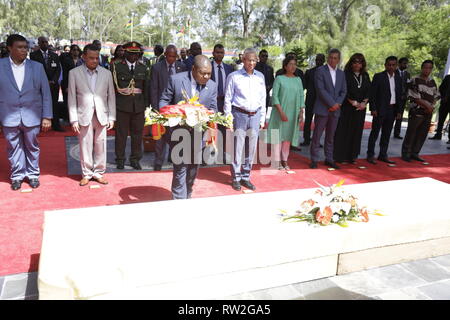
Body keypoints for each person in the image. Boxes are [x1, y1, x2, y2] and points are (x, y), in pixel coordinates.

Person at [159, 55, 218, 200]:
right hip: (179, 133)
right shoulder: (176, 80)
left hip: (199, 135)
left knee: (193, 169)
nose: (206, 76)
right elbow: (164, 101)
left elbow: (214, 109)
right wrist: (170, 115)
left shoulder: (212, 86)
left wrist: (208, 116)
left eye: (209, 74)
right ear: (193, 69)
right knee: (180, 169)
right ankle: (179, 201)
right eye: (202, 73)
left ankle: (188, 195)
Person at [0, 34, 52, 190]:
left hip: (32, 115)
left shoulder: (37, 67)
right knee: (13, 147)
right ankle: (17, 175)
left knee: (32, 146)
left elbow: (46, 93)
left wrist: (47, 116)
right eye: (20, 47)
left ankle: (33, 174)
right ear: (9, 48)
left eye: (26, 47)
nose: (24, 51)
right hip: (8, 115)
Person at [68, 44, 116, 186]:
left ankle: (99, 173)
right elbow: (71, 97)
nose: (94, 61)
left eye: (97, 58)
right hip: (83, 114)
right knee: (85, 144)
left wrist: (112, 117)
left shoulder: (106, 73)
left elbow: (111, 96)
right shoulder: (74, 73)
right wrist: (73, 119)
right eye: (91, 58)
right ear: (84, 57)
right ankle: (87, 174)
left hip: (102, 114)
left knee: (101, 145)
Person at [224, 48, 266, 191]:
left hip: (255, 115)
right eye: (249, 60)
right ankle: (235, 177)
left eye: (254, 60)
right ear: (243, 60)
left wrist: (262, 118)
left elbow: (263, 98)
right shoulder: (234, 76)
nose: (252, 63)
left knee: (251, 148)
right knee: (238, 147)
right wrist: (228, 118)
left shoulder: (260, 76)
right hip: (239, 115)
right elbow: (228, 98)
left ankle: (245, 177)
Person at [111, 42, 150, 171]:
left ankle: (135, 159)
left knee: (137, 135)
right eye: (131, 54)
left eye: (136, 54)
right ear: (125, 53)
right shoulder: (116, 67)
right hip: (122, 106)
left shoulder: (143, 68)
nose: (134, 56)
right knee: (121, 134)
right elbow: (113, 88)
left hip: (138, 107)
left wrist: (146, 106)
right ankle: (120, 159)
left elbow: (146, 88)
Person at [150, 44, 187, 171]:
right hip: (162, 107)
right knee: (160, 136)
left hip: (177, 108)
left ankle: (175, 158)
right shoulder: (156, 68)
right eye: (169, 56)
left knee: (177, 134)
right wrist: (156, 108)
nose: (172, 58)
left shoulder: (182, 67)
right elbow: (154, 89)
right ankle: (158, 161)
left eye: (174, 56)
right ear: (165, 55)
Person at [309, 48, 347, 169]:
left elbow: (344, 91)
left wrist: (338, 104)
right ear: (327, 58)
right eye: (330, 57)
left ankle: (329, 159)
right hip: (322, 109)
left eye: (335, 58)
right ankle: (314, 159)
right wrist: (332, 104)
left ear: (338, 60)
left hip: (335, 110)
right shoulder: (320, 71)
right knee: (317, 136)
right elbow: (320, 90)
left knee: (330, 136)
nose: (332, 60)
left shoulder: (341, 73)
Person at [266, 56, 305, 170]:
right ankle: (276, 161)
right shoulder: (279, 78)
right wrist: (281, 112)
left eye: (294, 64)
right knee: (277, 137)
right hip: (279, 113)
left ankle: (284, 160)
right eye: (290, 64)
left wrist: (301, 111)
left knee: (287, 138)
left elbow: (301, 96)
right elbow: (275, 97)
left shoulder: (298, 80)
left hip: (293, 113)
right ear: (285, 66)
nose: (293, 66)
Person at [333, 53, 371, 163]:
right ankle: (340, 156)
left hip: (360, 109)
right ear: (351, 63)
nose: (357, 64)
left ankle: (352, 156)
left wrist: (364, 102)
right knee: (344, 131)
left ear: (362, 64)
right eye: (355, 62)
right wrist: (352, 102)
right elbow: (343, 90)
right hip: (347, 108)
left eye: (359, 62)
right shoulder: (345, 74)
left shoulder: (365, 75)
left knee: (356, 132)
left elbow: (369, 90)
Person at [401, 60, 440, 162]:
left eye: (429, 68)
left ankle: (415, 153)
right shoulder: (414, 80)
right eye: (425, 67)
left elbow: (436, 96)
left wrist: (431, 106)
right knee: (412, 132)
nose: (427, 70)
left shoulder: (432, 81)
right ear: (422, 68)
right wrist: (427, 106)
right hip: (417, 111)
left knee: (422, 133)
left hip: (428, 112)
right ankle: (406, 153)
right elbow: (415, 97)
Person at [366, 56, 402, 164]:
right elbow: (372, 94)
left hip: (392, 109)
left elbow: (399, 95)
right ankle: (370, 155)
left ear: (396, 66)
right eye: (389, 65)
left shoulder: (398, 78)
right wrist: (373, 108)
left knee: (387, 134)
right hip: (380, 109)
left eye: (393, 65)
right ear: (385, 65)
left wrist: (399, 111)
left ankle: (383, 154)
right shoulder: (379, 77)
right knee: (375, 133)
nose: (391, 67)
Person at [30, 36, 63, 131]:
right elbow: (34, 70)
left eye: (46, 42)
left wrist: (53, 80)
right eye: (42, 42)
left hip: (53, 85)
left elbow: (58, 69)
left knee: (54, 104)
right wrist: (44, 82)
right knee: (39, 104)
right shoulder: (33, 55)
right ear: (39, 43)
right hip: (39, 85)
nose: (45, 44)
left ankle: (56, 125)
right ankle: (39, 125)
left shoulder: (54, 55)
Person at [210, 43, 233, 162]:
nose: (219, 55)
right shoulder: (207, 66)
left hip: (224, 102)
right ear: (213, 53)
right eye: (217, 52)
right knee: (209, 128)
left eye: (221, 53)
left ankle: (222, 154)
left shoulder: (229, 68)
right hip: (211, 102)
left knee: (224, 129)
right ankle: (207, 153)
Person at [301, 54, 325, 146]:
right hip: (310, 100)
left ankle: (316, 140)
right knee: (308, 120)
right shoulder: (309, 72)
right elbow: (305, 85)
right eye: (317, 60)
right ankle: (306, 139)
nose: (318, 61)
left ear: (323, 61)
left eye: (320, 60)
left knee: (319, 122)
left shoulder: (327, 73)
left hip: (321, 101)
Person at [60, 44, 83, 123]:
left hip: (79, 84)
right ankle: (69, 117)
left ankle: (78, 117)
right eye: (74, 50)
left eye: (77, 50)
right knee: (68, 101)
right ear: (71, 51)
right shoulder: (66, 60)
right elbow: (65, 74)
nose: (76, 51)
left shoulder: (82, 60)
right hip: (68, 83)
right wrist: (66, 86)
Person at [393, 57, 411, 139]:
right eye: (404, 63)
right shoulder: (394, 72)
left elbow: (408, 86)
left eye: (406, 63)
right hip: (394, 97)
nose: (406, 65)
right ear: (399, 64)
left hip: (403, 98)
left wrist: (407, 95)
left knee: (400, 116)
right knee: (392, 114)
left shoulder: (407, 74)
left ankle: (397, 133)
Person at [430, 73, 450, 141]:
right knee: (441, 120)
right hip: (444, 102)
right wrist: (442, 97)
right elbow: (441, 88)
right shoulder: (447, 77)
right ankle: (438, 135)